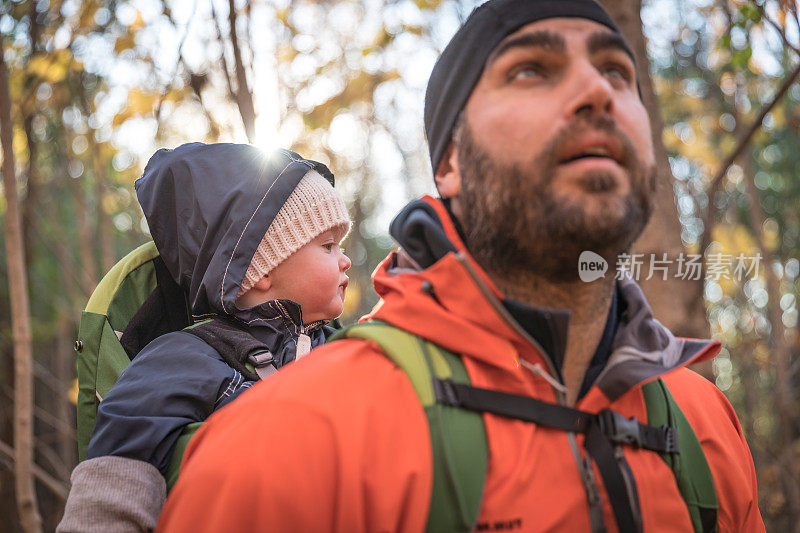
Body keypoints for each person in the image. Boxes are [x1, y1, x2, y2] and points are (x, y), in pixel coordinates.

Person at [157, 2, 764, 532]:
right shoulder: (289, 445)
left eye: (617, 71)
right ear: (449, 163)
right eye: (532, 70)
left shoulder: (703, 420)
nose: (596, 90)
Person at [57, 143, 351, 532]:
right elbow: (119, 465)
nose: (345, 260)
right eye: (328, 246)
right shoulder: (185, 358)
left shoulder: (345, 350)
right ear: (261, 269)